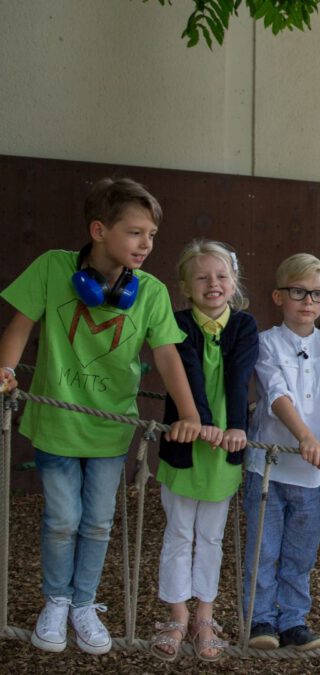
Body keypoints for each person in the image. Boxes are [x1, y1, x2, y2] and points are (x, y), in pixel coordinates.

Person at [0, 177, 202, 655]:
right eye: (134, 232)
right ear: (98, 230)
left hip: (112, 430)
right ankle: (56, 600)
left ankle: (83, 604)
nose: (146, 244)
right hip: (56, 423)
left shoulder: (149, 292)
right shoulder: (52, 268)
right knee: (62, 519)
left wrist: (189, 413)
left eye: (151, 234)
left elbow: (169, 356)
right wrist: (6, 371)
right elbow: (19, 327)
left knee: (97, 522)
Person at [152, 240, 259, 661]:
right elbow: (190, 371)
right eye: (202, 277)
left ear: (234, 282)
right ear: (185, 286)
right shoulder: (177, 322)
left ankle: (204, 615)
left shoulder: (244, 325)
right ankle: (176, 615)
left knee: (211, 537)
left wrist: (234, 427)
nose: (212, 284)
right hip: (186, 444)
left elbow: (239, 374)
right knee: (179, 532)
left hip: (222, 449)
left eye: (221, 276)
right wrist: (203, 424)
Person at [243, 253, 320, 652]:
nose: (308, 302)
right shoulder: (266, 342)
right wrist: (307, 437)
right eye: (299, 292)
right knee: (263, 549)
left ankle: (293, 620)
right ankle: (260, 619)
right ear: (278, 296)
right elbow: (276, 394)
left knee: (299, 553)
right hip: (268, 469)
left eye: (318, 294)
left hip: (312, 475)